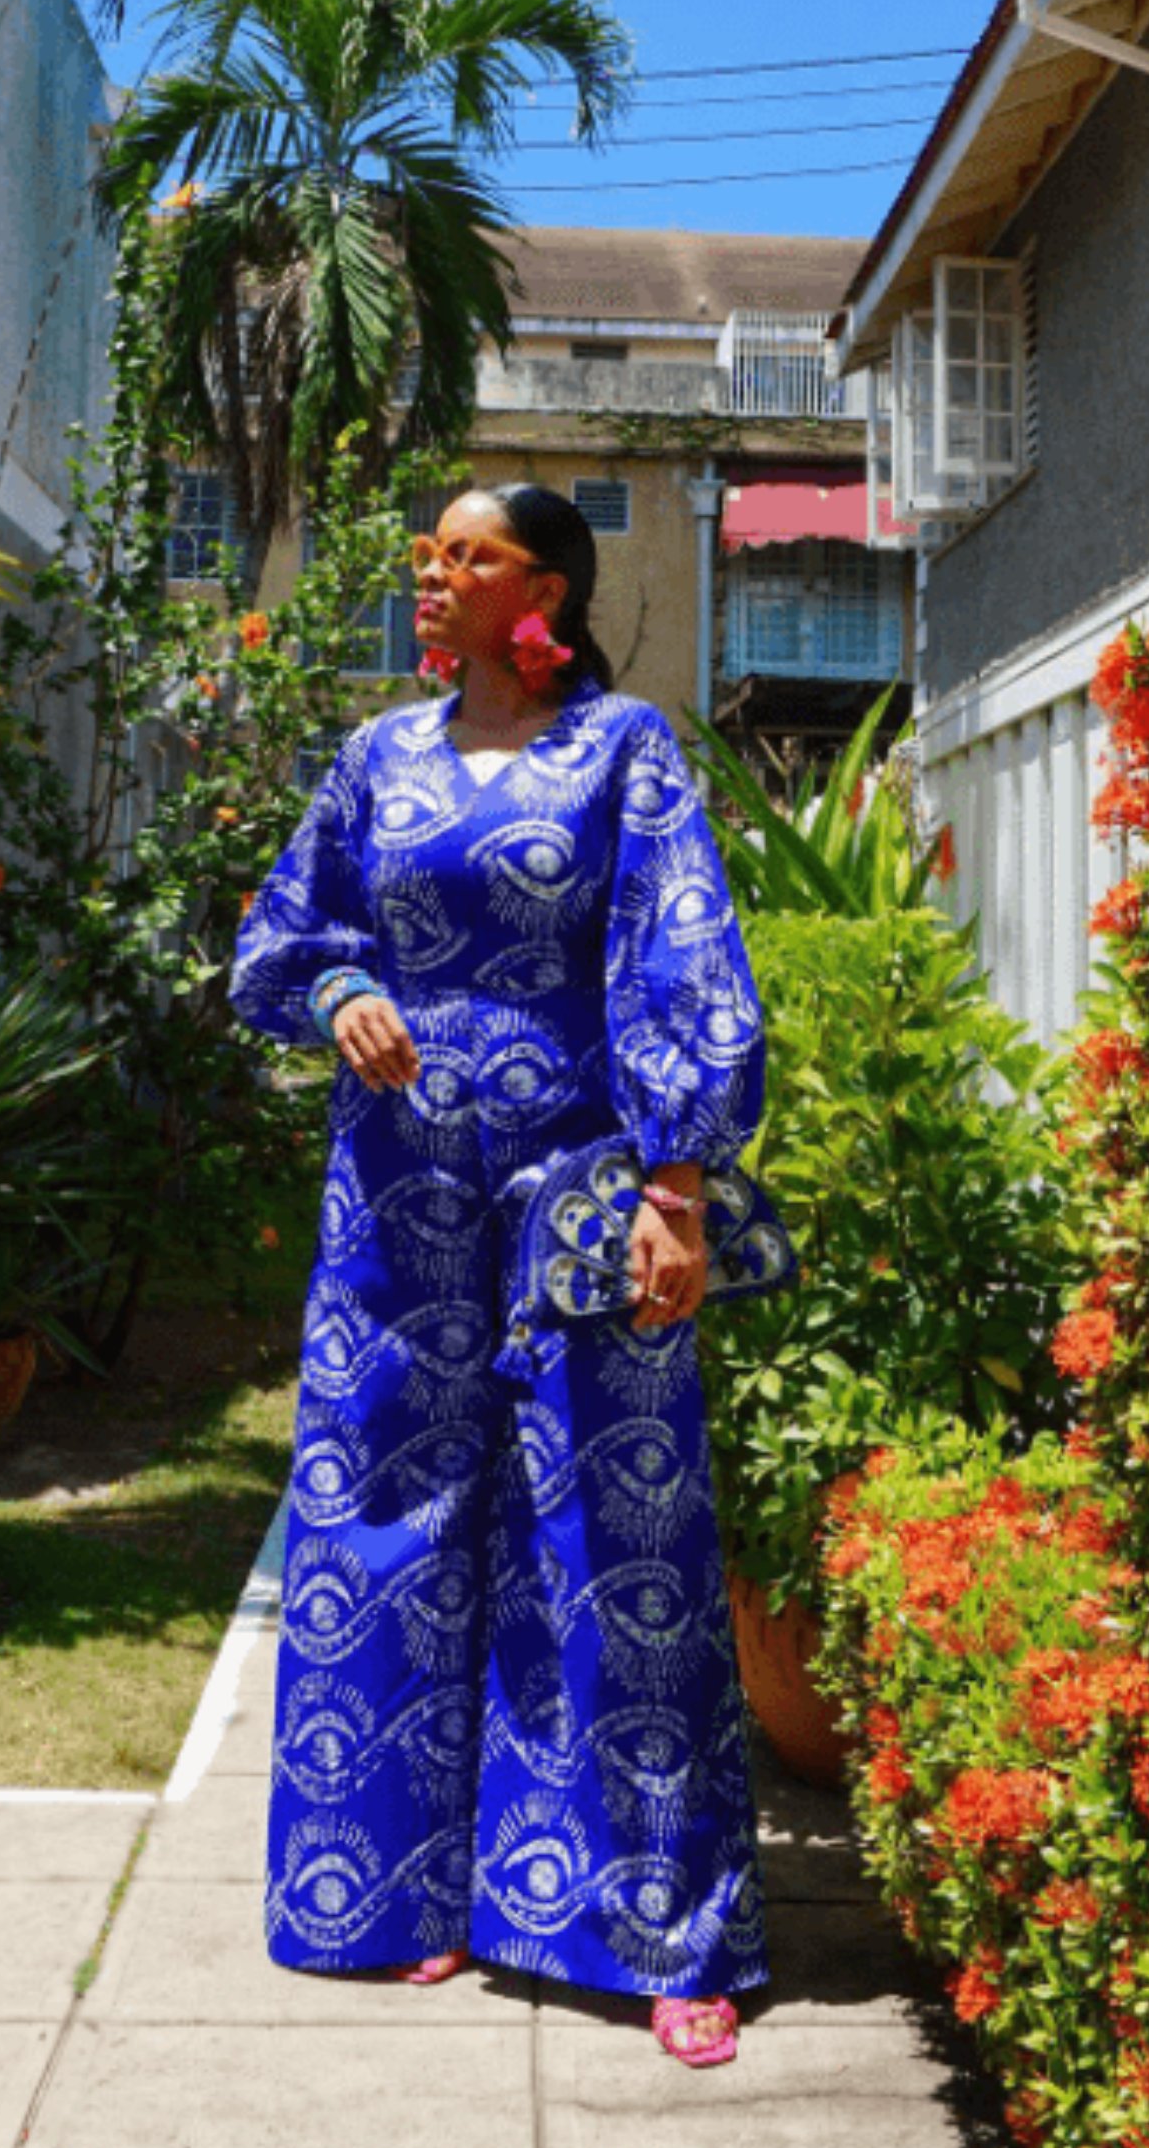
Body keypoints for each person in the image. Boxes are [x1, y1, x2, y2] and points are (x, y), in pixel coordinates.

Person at [229, 481, 769, 2067]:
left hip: (579, 1204)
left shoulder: (624, 752)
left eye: (468, 556)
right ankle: (400, 1891)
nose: (433, 575)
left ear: (544, 591)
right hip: (393, 1205)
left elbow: (683, 955)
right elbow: (276, 938)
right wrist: (337, 991)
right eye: (428, 553)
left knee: (614, 1535)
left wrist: (676, 1182)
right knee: (383, 1521)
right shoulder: (372, 761)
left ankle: (666, 1930)